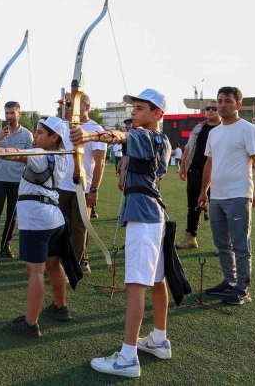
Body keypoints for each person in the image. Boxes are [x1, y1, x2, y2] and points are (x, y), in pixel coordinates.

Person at [71, 89, 172, 379]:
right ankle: (158, 339)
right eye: (134, 108)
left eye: (140, 109)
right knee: (155, 279)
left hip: (143, 216)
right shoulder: (161, 140)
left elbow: (119, 135)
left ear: (157, 114)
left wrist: (88, 136)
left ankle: (128, 357)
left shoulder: (143, 136)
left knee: (137, 284)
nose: (134, 113)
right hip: (153, 214)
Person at [0, 117, 74, 338]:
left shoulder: (40, 154)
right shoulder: (61, 157)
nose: (36, 135)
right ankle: (60, 308)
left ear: (54, 138)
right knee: (53, 264)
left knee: (35, 272)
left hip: (37, 220)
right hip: (53, 218)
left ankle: (31, 324)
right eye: (37, 131)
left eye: (41, 133)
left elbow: (17, 153)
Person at [199, 86, 255, 306]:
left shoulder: (247, 130)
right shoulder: (214, 132)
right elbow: (209, 163)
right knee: (222, 244)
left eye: (227, 101)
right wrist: (203, 191)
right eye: (219, 101)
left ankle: (242, 289)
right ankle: (230, 282)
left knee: (240, 244)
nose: (222, 105)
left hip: (239, 195)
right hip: (216, 197)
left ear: (238, 105)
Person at [55, 95, 106, 275]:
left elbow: (100, 163)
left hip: (82, 188)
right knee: (64, 226)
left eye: (71, 104)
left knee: (78, 228)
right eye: (66, 104)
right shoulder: (63, 127)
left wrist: (94, 190)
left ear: (87, 106)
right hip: (63, 187)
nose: (67, 108)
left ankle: (71, 267)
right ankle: (82, 261)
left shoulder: (95, 129)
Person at [0, 101, 33, 261]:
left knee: (13, 214)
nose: (9, 116)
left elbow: (30, 157)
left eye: (12, 113)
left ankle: (6, 245)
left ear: (19, 114)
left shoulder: (27, 135)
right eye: (7, 113)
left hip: (18, 181)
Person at [176, 100, 220, 249]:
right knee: (193, 207)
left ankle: (221, 244)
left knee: (217, 208)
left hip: (216, 175)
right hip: (194, 172)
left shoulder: (224, 129)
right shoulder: (198, 128)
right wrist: (182, 167)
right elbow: (188, 148)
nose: (211, 111)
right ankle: (190, 238)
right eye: (208, 108)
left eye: (215, 108)